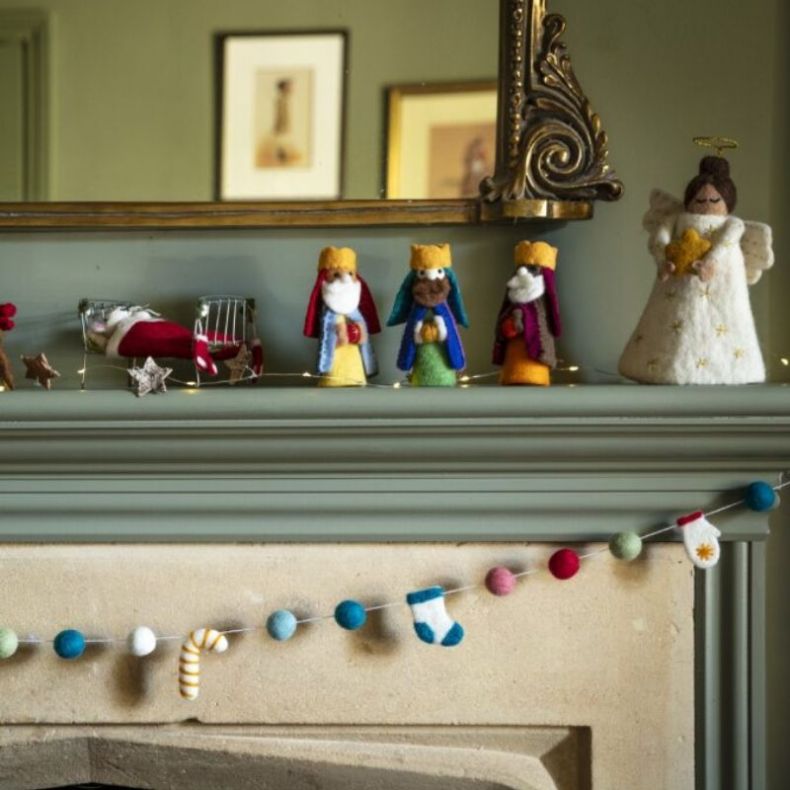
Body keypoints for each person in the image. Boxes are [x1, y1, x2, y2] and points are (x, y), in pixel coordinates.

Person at [618, 156, 774, 384]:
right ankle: (660, 366)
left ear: (727, 202)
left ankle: (735, 366)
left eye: (714, 199)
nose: (707, 204)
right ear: (690, 199)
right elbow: (659, 237)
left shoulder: (733, 224)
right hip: (678, 281)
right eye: (700, 199)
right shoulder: (676, 219)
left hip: (722, 281)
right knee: (675, 318)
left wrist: (710, 262)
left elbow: (726, 243)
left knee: (725, 316)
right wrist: (663, 260)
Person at [387, 243, 469, 387]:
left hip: (445, 373)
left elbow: (451, 334)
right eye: (423, 273)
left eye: (438, 272)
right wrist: (420, 333)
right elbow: (410, 335)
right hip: (420, 372)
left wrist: (440, 332)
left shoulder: (445, 312)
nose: (431, 278)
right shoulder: (416, 312)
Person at [303, 246, 381, 387]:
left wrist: (359, 331)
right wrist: (339, 332)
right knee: (334, 370)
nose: (345, 279)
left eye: (350, 273)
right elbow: (327, 337)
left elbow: (363, 333)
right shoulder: (327, 314)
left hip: (355, 371)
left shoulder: (355, 312)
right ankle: (332, 378)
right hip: (334, 370)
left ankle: (356, 376)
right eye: (336, 274)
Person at [492, 240, 561, 386]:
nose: (522, 272)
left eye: (532, 269)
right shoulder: (512, 305)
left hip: (537, 374)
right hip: (512, 369)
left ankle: (532, 373)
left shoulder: (542, 309)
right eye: (521, 268)